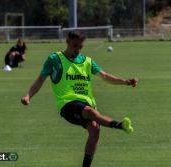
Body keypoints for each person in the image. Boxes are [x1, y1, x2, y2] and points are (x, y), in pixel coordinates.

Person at [21, 31, 138, 167]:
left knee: (95, 130)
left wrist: (125, 81)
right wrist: (28, 95)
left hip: (87, 103)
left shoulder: (87, 62)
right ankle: (120, 125)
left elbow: (105, 76)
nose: (77, 49)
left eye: (80, 47)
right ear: (67, 42)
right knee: (91, 112)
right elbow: (40, 80)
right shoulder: (55, 59)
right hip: (67, 104)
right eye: (75, 46)